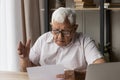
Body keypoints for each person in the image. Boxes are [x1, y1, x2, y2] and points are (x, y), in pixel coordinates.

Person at [18, 7, 105, 80]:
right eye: (55, 31)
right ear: (51, 26)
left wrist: (79, 75)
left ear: (75, 28)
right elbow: (26, 71)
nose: (60, 37)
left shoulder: (85, 41)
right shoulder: (43, 40)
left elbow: (101, 68)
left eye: (66, 31)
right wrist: (24, 59)